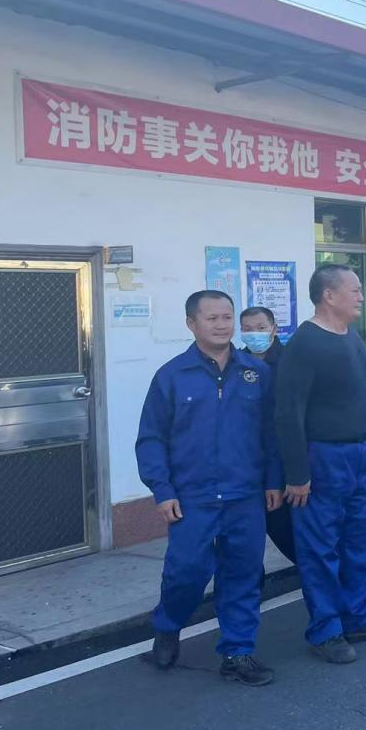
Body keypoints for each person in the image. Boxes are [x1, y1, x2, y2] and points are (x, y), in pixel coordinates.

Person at [137, 290, 279, 686]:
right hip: (192, 497)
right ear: (191, 324)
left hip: (244, 494)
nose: (221, 325)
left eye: (227, 317)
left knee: (244, 574)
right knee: (186, 572)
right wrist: (162, 489)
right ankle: (168, 627)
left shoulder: (256, 373)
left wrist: (273, 480)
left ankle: (238, 652)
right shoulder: (171, 376)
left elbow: (270, 433)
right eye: (212, 318)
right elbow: (151, 438)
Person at [276, 265, 366, 665]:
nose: (361, 296)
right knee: (320, 549)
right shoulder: (305, 343)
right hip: (322, 458)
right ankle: (326, 630)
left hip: (357, 454)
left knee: (357, 541)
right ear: (328, 296)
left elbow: (360, 395)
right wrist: (297, 473)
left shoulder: (351, 337)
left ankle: (359, 617)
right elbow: (288, 413)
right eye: (354, 289)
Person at [240, 305, 294, 566]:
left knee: (292, 537)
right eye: (248, 329)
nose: (255, 334)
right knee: (244, 549)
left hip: (285, 465)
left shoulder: (291, 362)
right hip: (245, 468)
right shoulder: (235, 364)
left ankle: (325, 584)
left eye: (261, 328)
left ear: (274, 329)